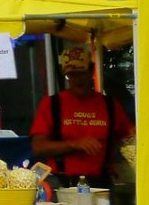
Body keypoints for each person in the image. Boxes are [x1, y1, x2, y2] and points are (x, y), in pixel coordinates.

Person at [29, 45, 133, 182]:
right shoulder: (52, 104)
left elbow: (131, 139)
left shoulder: (110, 105)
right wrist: (74, 144)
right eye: (71, 75)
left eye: (81, 73)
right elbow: (38, 147)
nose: (77, 80)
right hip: (63, 181)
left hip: (102, 182)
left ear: (91, 71)